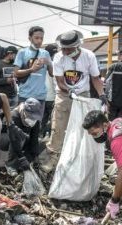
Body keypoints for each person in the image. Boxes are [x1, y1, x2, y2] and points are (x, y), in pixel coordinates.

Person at [41, 30, 104, 173]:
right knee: (58, 127)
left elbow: (95, 78)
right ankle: (53, 158)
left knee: (84, 127)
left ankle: (80, 158)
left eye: (67, 49)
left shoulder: (89, 56)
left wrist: (102, 94)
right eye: (62, 48)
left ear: (76, 47)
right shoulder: (58, 57)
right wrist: (69, 91)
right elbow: (60, 81)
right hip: (64, 95)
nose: (63, 51)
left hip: (83, 94)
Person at [14, 26, 53, 120]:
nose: (39, 41)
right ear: (30, 38)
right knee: (24, 124)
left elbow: (52, 74)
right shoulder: (22, 52)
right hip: (25, 96)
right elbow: (15, 73)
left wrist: (49, 64)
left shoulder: (46, 53)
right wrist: (31, 69)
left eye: (41, 38)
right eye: (36, 38)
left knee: (36, 127)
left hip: (41, 96)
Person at [5, 98, 41, 176]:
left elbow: (34, 138)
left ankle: (25, 162)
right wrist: (21, 158)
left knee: (37, 142)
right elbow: (13, 140)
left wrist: (35, 155)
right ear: (24, 111)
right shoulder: (14, 116)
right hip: (5, 138)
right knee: (18, 139)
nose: (33, 119)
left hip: (22, 136)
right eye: (30, 116)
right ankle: (11, 165)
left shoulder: (36, 121)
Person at [40, 44, 58, 139]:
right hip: (52, 97)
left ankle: (40, 136)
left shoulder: (39, 63)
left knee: (42, 118)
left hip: (42, 97)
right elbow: (56, 83)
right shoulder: (55, 64)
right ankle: (51, 137)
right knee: (53, 119)